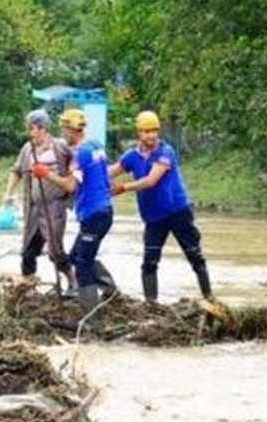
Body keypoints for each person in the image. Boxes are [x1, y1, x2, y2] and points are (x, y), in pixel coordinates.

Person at [110, 110, 212, 303]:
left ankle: (210, 297)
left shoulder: (165, 152)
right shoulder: (131, 156)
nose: (151, 135)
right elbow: (111, 171)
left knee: (195, 256)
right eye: (146, 131)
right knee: (149, 262)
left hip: (178, 212)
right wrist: (87, 175)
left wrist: (124, 187)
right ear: (138, 132)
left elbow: (150, 181)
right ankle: (151, 304)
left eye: (154, 131)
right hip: (154, 218)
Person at [33, 108, 118, 325]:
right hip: (105, 210)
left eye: (64, 131)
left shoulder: (80, 154)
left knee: (82, 264)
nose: (63, 135)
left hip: (93, 213)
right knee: (77, 255)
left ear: (72, 130)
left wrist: (46, 174)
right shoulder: (97, 146)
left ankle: (91, 320)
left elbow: (70, 185)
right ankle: (111, 291)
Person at [3, 109, 75, 295]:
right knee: (28, 250)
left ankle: (72, 281)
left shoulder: (60, 147)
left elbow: (77, 167)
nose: (30, 133)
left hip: (54, 206)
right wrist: (8, 194)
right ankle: (28, 286)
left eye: (32, 129)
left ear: (42, 128)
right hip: (33, 206)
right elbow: (17, 170)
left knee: (55, 250)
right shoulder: (28, 149)